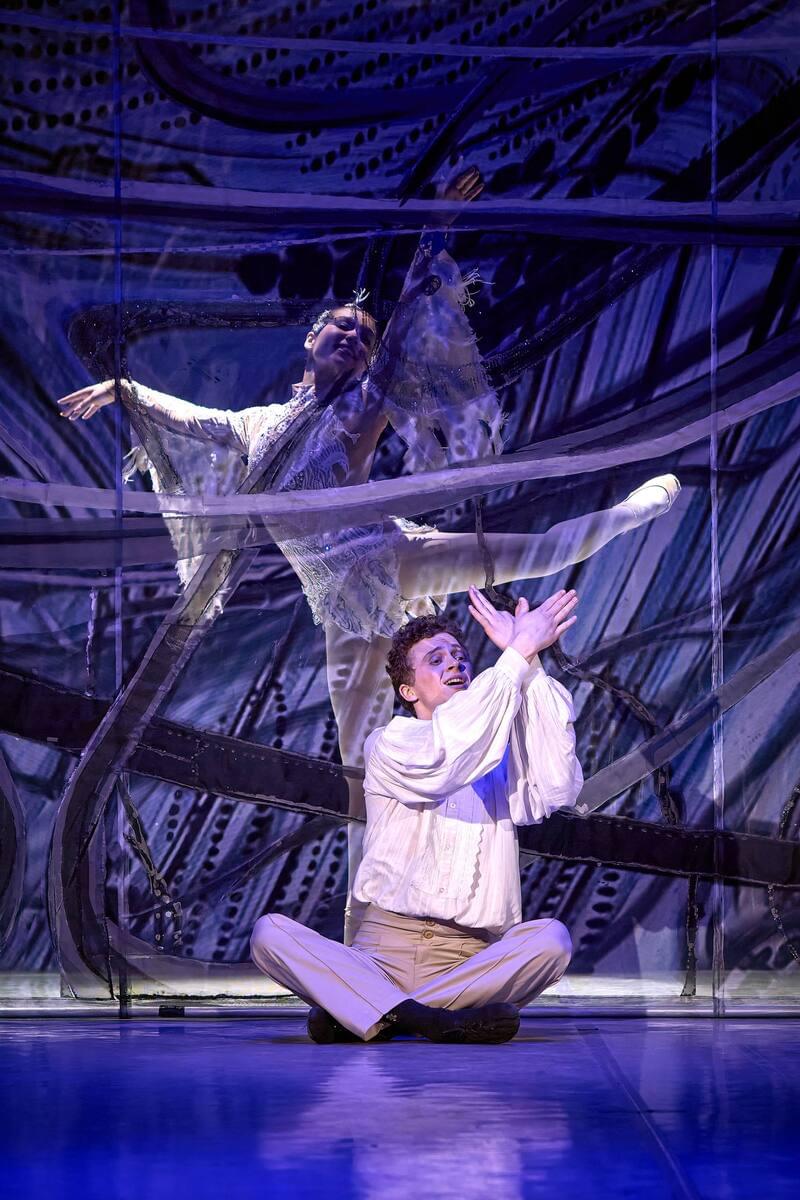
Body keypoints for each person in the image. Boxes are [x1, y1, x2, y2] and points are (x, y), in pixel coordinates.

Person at [57, 166, 679, 940]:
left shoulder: (359, 408)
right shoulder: (257, 427)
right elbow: (195, 420)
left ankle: (628, 512)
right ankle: (365, 926)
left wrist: (434, 232)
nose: (353, 337)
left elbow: (407, 331)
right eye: (340, 329)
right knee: (360, 770)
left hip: (393, 556)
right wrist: (124, 389)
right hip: (344, 610)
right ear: (311, 341)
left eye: (362, 335)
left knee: (541, 553)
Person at [250, 584, 582, 1043]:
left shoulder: (498, 754)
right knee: (269, 934)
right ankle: (435, 1020)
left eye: (460, 656)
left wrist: (529, 662)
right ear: (408, 690)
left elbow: (557, 785)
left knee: (552, 941)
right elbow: (449, 758)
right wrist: (517, 650)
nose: (455, 664)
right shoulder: (391, 743)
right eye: (436, 659)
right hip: (380, 954)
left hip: (468, 961)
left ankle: (372, 1010)